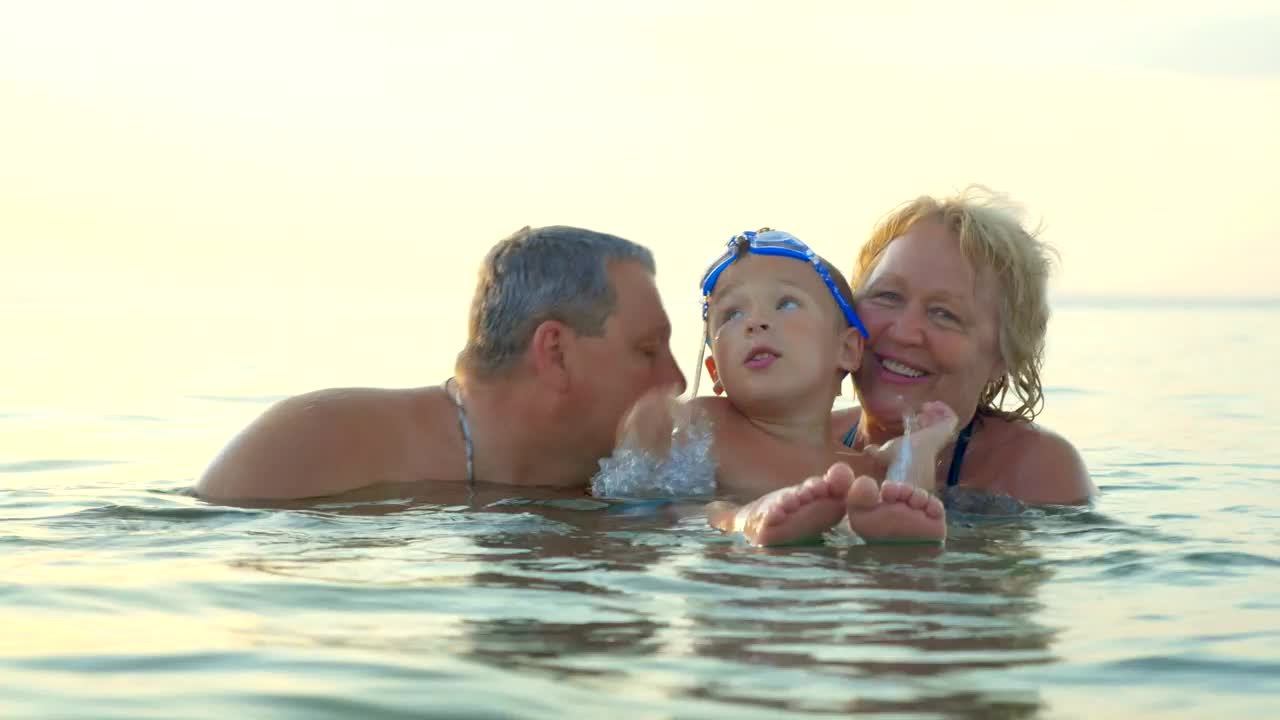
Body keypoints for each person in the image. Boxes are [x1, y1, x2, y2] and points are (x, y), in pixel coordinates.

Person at [195, 225, 686, 502]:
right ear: (555, 353)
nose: (677, 381)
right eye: (647, 351)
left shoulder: (633, 475)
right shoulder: (317, 442)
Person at [608, 229, 956, 546]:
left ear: (847, 349)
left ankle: (902, 476)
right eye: (731, 314)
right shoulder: (706, 422)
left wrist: (917, 455)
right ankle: (749, 518)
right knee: (713, 510)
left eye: (786, 303)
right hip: (730, 557)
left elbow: (911, 495)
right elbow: (639, 495)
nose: (756, 323)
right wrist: (642, 445)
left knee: (886, 497)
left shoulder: (863, 468)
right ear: (715, 371)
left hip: (827, 582)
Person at [831, 186, 1095, 505]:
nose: (903, 332)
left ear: (1004, 355)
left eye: (944, 314)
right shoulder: (795, 442)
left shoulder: (1033, 470)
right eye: (887, 296)